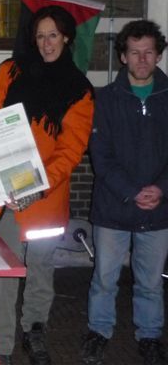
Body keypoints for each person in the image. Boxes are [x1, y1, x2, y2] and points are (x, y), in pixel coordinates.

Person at [0, 5, 95, 365]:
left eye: (53, 34)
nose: (46, 43)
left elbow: (70, 151)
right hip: (6, 195)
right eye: (40, 35)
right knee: (5, 272)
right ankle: (1, 345)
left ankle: (35, 328)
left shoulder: (80, 91)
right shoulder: (11, 70)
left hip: (45, 198)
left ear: (67, 37)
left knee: (41, 270)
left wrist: (40, 187)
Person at [81, 20, 168, 365]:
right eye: (135, 52)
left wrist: (160, 189)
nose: (142, 59)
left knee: (150, 282)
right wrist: (133, 192)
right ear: (123, 57)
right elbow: (100, 156)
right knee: (104, 279)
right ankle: (98, 332)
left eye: (149, 52)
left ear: (158, 55)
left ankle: (149, 336)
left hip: (158, 210)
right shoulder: (106, 99)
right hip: (113, 207)